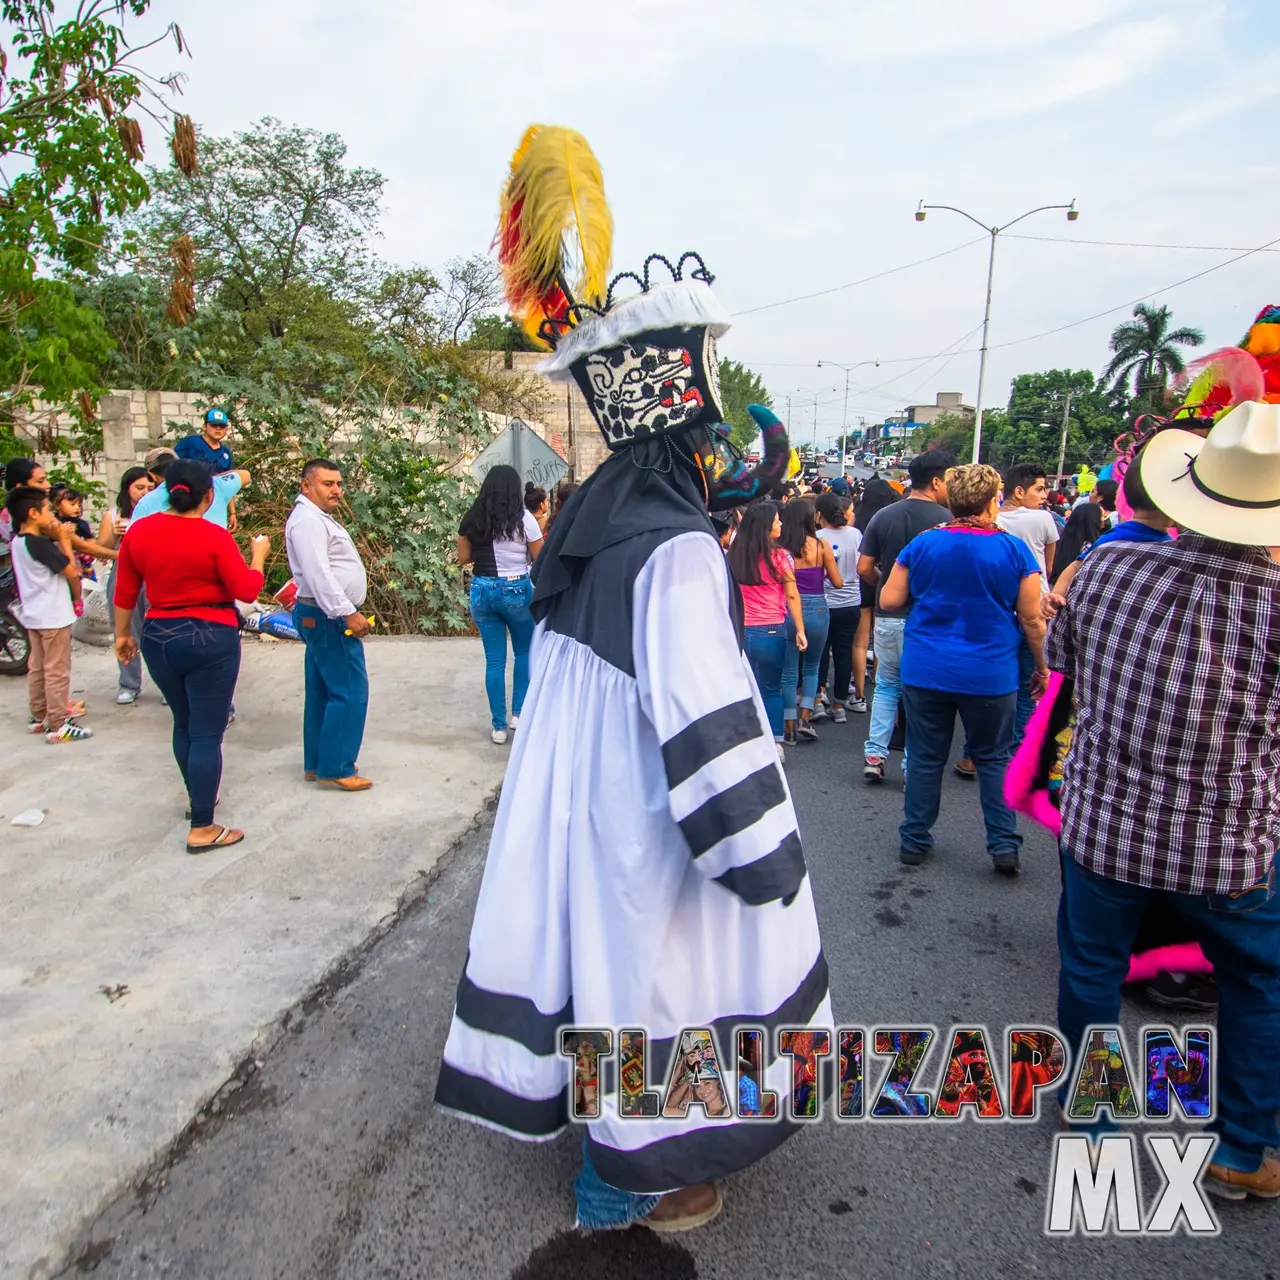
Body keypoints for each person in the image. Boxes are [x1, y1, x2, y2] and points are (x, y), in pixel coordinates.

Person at [436, 123, 829, 1235]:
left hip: (589, 798)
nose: (716, 460)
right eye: (708, 444)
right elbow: (704, 718)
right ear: (686, 442)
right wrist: (760, 850)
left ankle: (612, 1157)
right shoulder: (675, 547)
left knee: (608, 966)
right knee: (660, 976)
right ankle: (623, 1183)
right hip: (647, 811)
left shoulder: (603, 525)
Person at [1046, 401, 1280, 1197]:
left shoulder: (1108, 566)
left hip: (1106, 819)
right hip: (1229, 838)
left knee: (1092, 970)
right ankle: (1246, 1151)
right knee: (1258, 981)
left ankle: (1091, 1111)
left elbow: (1064, 660)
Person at [879, 463, 1047, 875]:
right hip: (990, 672)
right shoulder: (1013, 550)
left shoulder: (922, 545)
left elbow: (888, 600)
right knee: (993, 758)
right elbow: (1032, 619)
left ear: (952, 500)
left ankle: (914, 840)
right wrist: (1042, 667)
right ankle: (1003, 845)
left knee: (925, 756)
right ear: (993, 501)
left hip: (926, 668)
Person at [114, 461, 267, 848]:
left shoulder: (139, 531)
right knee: (206, 732)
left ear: (166, 492)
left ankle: (198, 796)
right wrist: (259, 555)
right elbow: (246, 589)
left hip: (158, 635)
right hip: (210, 636)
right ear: (209, 496)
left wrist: (121, 636)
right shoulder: (214, 536)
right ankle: (203, 825)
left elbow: (126, 591)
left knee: (183, 722)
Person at [857, 451, 955, 783]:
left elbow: (863, 568)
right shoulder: (948, 520)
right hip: (928, 620)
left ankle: (874, 755)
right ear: (937, 481)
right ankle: (912, 765)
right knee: (921, 694)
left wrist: (885, 584)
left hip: (887, 615)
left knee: (886, 686)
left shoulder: (884, 516)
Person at [285, 458, 373, 791]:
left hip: (320, 614)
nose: (336, 490)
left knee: (323, 689)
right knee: (350, 691)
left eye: (338, 483)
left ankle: (317, 762)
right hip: (327, 616)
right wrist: (346, 611)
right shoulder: (307, 521)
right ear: (306, 485)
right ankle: (337, 767)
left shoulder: (315, 518)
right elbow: (318, 574)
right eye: (327, 484)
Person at [458, 464, 544, 744]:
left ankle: (497, 727)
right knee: (524, 651)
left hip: (482, 589)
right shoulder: (525, 519)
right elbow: (539, 558)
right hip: (516, 588)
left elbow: (463, 557)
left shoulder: (473, 517)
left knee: (494, 661)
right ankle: (519, 714)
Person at [7, 485, 90, 743]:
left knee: (38, 667)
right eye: (47, 511)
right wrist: (65, 541)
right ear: (33, 513)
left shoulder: (18, 541)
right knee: (57, 669)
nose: (52, 516)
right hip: (53, 615)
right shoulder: (40, 543)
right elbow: (69, 570)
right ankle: (58, 723)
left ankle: (38, 715)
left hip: (34, 614)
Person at [728, 500, 806, 760]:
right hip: (771, 629)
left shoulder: (734, 555)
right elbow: (792, 595)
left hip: (740, 631)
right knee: (771, 688)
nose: (781, 524)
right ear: (765, 527)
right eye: (777, 521)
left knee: (743, 688)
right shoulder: (780, 557)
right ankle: (775, 743)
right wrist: (800, 630)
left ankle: (744, 741)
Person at [997, 461, 1060, 745]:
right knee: (1028, 686)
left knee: (994, 685)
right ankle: (1018, 752)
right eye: (1040, 488)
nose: (1045, 494)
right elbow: (1047, 567)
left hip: (1000, 607)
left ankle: (973, 754)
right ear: (1019, 491)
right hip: (1035, 608)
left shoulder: (993, 518)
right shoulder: (1044, 519)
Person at [778, 497, 840, 743]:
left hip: (788, 608)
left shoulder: (779, 547)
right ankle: (806, 717)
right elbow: (838, 582)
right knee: (812, 666)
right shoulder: (821, 546)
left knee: (789, 669)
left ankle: (789, 725)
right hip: (817, 609)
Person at [99, 466, 154, 704]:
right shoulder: (114, 515)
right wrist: (114, 534)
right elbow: (101, 548)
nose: (144, 493)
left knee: (157, 630)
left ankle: (167, 685)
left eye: (150, 488)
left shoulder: (158, 511)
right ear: (127, 488)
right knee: (125, 630)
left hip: (153, 573)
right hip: (123, 573)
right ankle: (129, 684)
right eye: (139, 488)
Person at [849, 477, 900, 713]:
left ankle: (859, 694)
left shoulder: (857, 519)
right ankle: (881, 690)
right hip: (886, 582)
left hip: (862, 583)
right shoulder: (891, 518)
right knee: (880, 643)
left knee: (860, 642)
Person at [813, 492, 861, 725]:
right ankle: (840, 704)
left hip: (824, 601)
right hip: (851, 601)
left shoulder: (817, 537)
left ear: (819, 514)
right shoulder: (855, 535)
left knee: (820, 651)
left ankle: (818, 698)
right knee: (844, 653)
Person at [175, 409, 238, 530]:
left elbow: (228, 485)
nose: (218, 429)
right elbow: (174, 468)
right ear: (205, 426)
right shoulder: (190, 443)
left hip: (216, 504)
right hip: (190, 503)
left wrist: (232, 513)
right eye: (214, 425)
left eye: (222, 426)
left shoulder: (226, 453)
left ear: (226, 429)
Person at [1051, 502, 1104, 582]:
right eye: (1102, 518)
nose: (1104, 522)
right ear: (1094, 521)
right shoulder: (1092, 549)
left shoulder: (1060, 543)